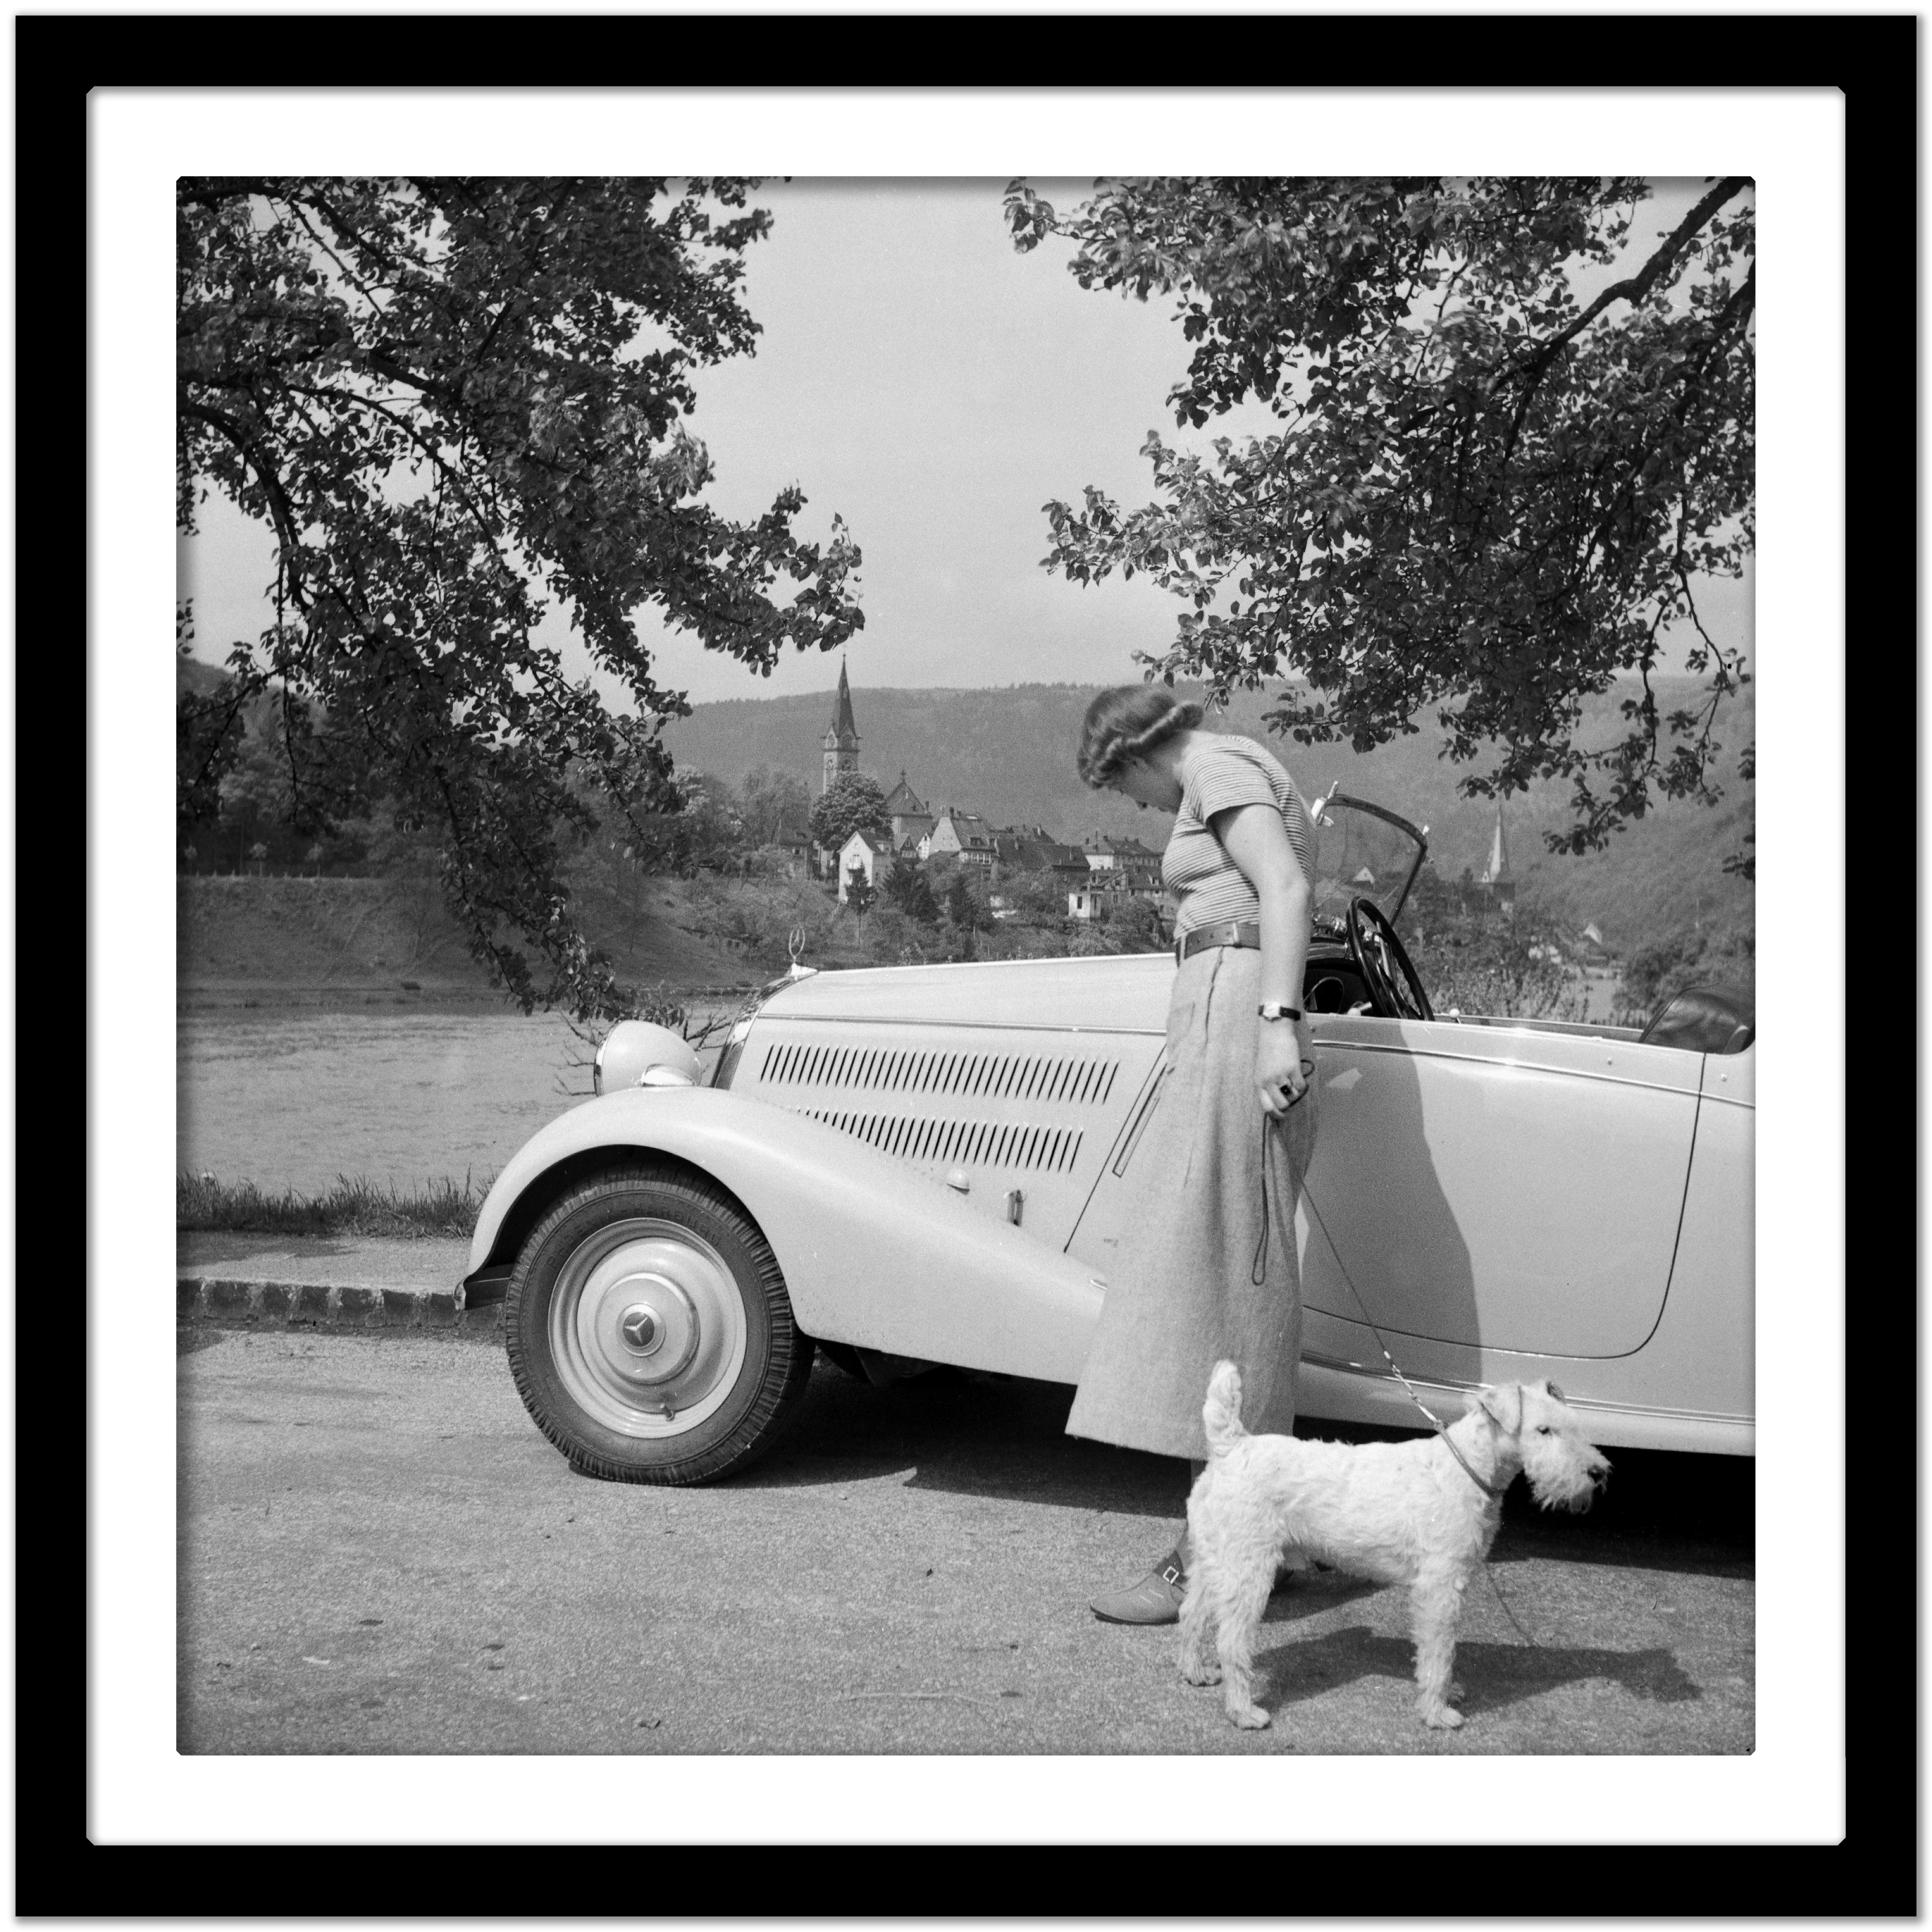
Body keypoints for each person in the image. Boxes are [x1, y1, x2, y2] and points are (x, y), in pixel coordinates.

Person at [1067, 686, 1320, 1623]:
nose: (1136, 809)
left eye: (1123, 788)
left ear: (1129, 753)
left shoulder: (1211, 768)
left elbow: (1285, 889)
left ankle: (1210, 1558)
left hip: (1238, 1002)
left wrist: (1276, 1028)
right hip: (1226, 1001)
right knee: (1237, 1280)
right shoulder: (1239, 760)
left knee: (1213, 1283)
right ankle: (1265, 1537)